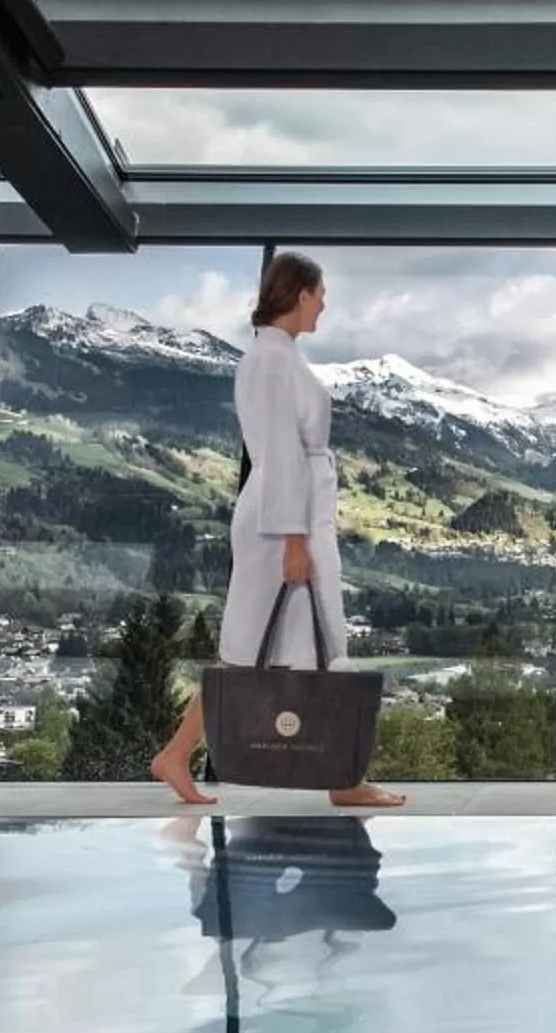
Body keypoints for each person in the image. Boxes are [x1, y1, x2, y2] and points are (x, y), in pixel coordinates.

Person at [150, 254, 407, 809]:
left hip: (292, 515)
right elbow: (284, 450)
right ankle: (341, 779)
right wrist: (294, 540)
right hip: (284, 522)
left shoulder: (278, 356)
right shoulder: (270, 360)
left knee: (265, 647)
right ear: (299, 292)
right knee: (296, 643)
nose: (324, 304)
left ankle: (184, 755)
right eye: (320, 293)